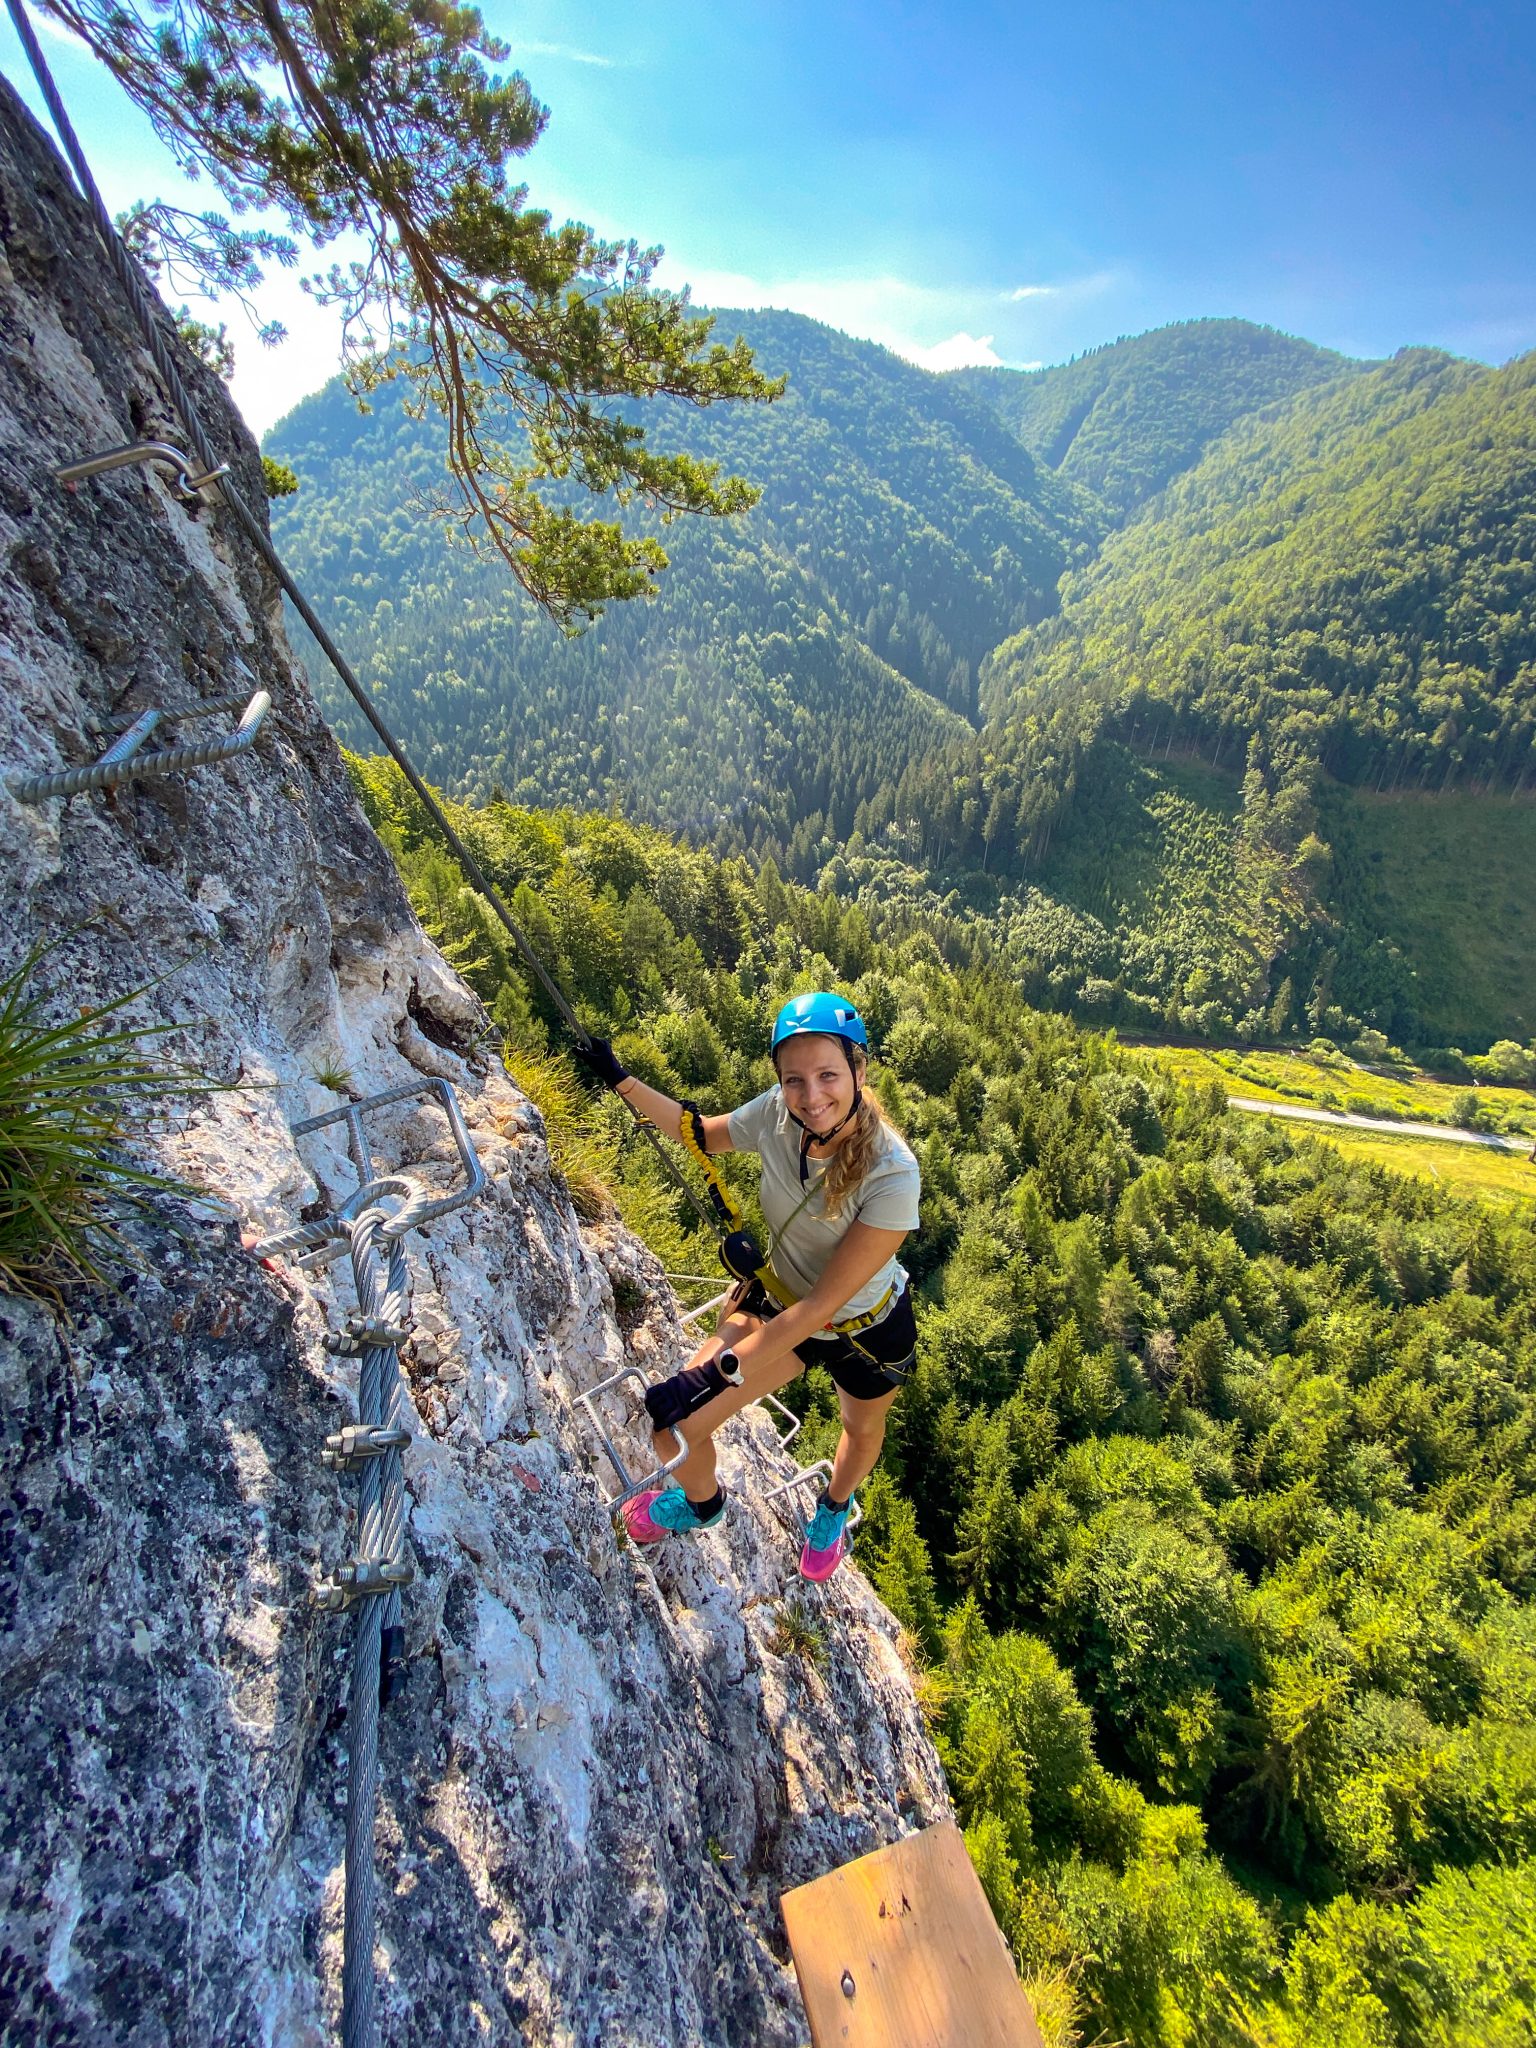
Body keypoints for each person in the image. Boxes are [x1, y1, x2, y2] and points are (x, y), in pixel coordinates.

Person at [574, 991, 921, 1581]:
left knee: (860, 1432)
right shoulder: (778, 1116)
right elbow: (702, 1135)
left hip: (864, 1328)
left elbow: (820, 1309)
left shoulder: (892, 1174)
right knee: (675, 1428)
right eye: (794, 1079)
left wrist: (710, 1372)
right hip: (784, 1304)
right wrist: (622, 1079)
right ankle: (702, 1504)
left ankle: (833, 1509)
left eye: (829, 1075)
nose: (812, 1097)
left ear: (860, 1072)